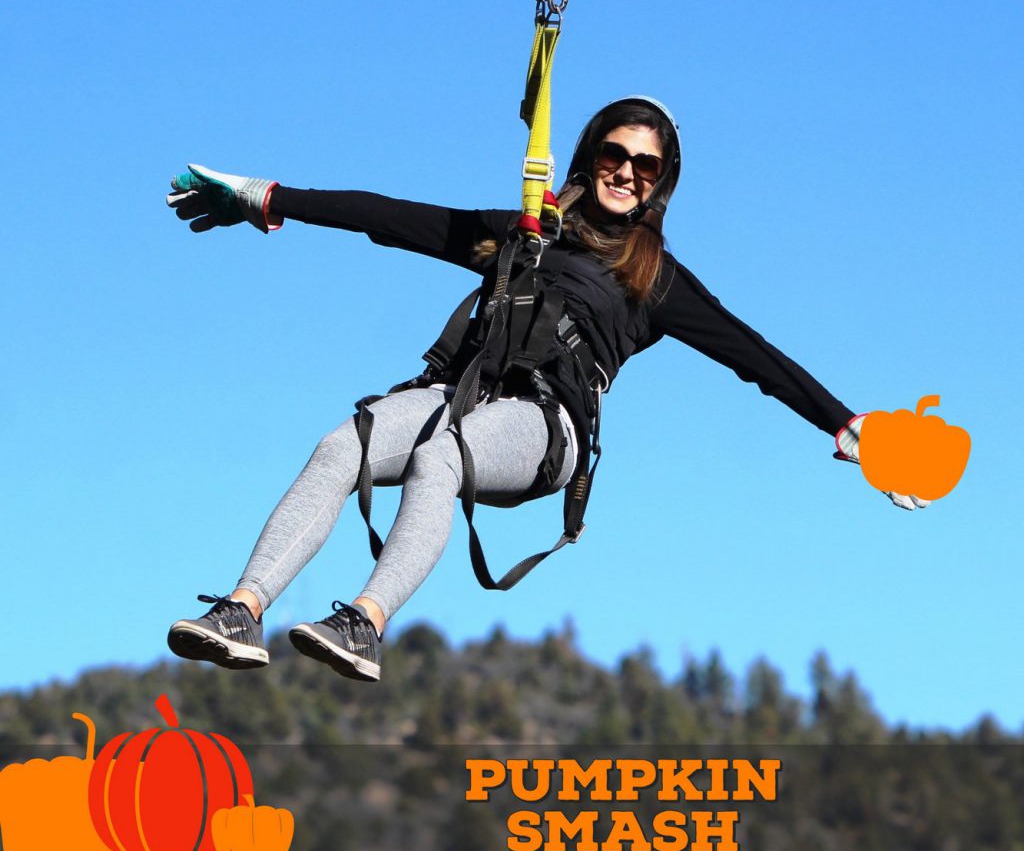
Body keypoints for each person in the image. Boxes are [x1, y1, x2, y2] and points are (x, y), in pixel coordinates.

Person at [165, 96, 927, 684]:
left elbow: (753, 354)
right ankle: (243, 610)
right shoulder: (526, 232)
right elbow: (395, 219)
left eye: (646, 165)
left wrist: (849, 425)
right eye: (614, 153)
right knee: (345, 444)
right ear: (590, 155)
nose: (627, 171)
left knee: (442, 459)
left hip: (545, 425)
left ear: (663, 184)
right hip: (461, 391)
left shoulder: (656, 278)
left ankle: (365, 622)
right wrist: (268, 198)